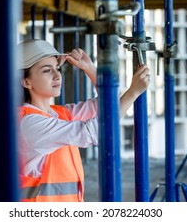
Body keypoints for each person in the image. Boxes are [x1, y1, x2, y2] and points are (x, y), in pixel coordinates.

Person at [17, 39, 150, 202]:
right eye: (46, 71)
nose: (57, 75)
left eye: (57, 68)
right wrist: (133, 93)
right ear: (26, 81)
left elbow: (109, 104)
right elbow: (97, 131)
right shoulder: (29, 123)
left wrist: (90, 68)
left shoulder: (59, 114)